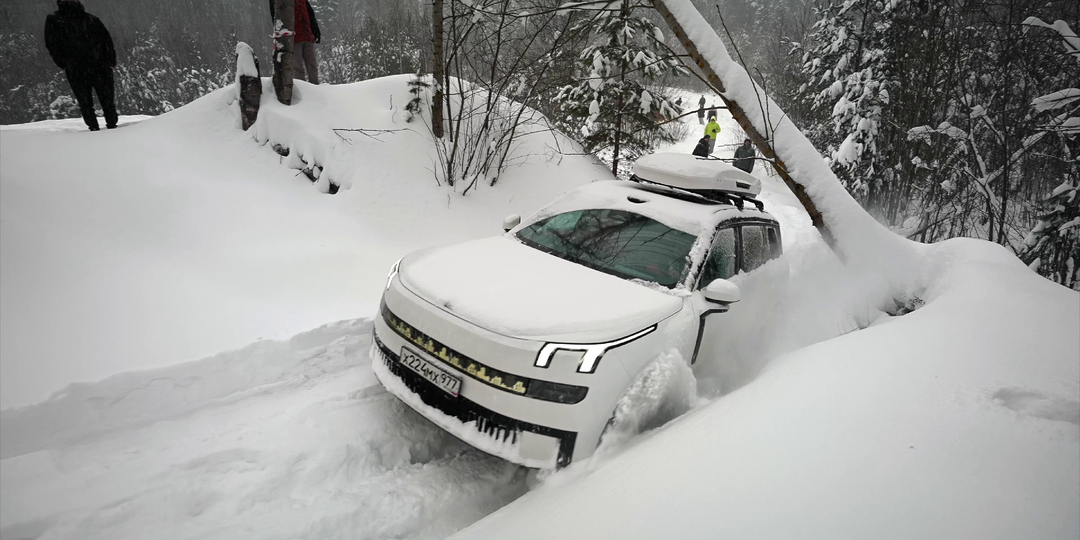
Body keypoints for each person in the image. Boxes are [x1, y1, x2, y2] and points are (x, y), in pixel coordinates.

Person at [44, 0, 117, 131]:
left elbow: (106, 40)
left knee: (106, 100)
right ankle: (95, 127)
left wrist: (110, 61)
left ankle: (111, 125)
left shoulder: (91, 18)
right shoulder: (55, 20)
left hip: (98, 66)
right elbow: (52, 44)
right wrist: (64, 63)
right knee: (86, 101)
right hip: (78, 67)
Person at [270, 0, 321, 84]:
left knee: (312, 65)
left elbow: (310, 15)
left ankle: (315, 87)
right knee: (298, 67)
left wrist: (316, 32)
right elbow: (275, 17)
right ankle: (303, 89)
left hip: (307, 35)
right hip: (293, 38)